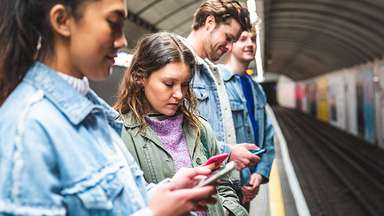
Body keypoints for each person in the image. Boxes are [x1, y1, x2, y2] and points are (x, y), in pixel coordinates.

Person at [0, 0, 216, 215]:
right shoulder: (27, 128)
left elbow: (118, 201)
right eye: (113, 23)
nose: (122, 41)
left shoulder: (96, 115)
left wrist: (166, 190)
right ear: (62, 21)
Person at [114, 32, 246, 216]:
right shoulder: (119, 135)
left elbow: (223, 187)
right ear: (139, 77)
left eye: (184, 84)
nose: (179, 94)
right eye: (169, 84)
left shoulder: (200, 128)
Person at [181, 0, 259, 169]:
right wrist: (229, 153)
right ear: (210, 23)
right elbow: (174, 136)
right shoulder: (177, 63)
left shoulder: (212, 71)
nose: (230, 47)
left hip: (218, 185)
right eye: (228, 37)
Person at [218, 28, 275, 209]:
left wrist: (258, 174)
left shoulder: (256, 90)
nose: (250, 43)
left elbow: (267, 138)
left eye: (253, 39)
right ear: (229, 43)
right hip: (226, 185)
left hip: (248, 185)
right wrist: (241, 180)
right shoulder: (217, 84)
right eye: (243, 39)